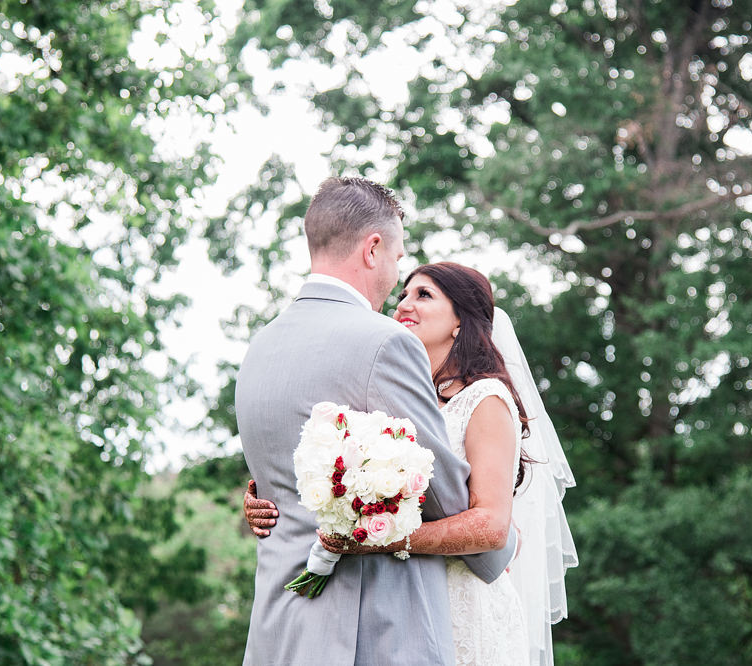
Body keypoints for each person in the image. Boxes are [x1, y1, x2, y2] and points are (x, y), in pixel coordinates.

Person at [234, 177, 517, 666]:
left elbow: (277, 476)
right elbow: (443, 492)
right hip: (371, 633)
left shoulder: (259, 347)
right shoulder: (385, 343)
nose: (398, 285)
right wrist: (503, 541)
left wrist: (259, 500)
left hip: (276, 628)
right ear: (372, 249)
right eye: (398, 258)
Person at [246, 262, 578, 666]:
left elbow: (492, 526)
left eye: (424, 295)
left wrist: (380, 538)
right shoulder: (390, 396)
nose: (404, 304)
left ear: (461, 322)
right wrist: (278, 492)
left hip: (465, 605)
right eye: (403, 294)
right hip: (400, 615)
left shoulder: (485, 400)